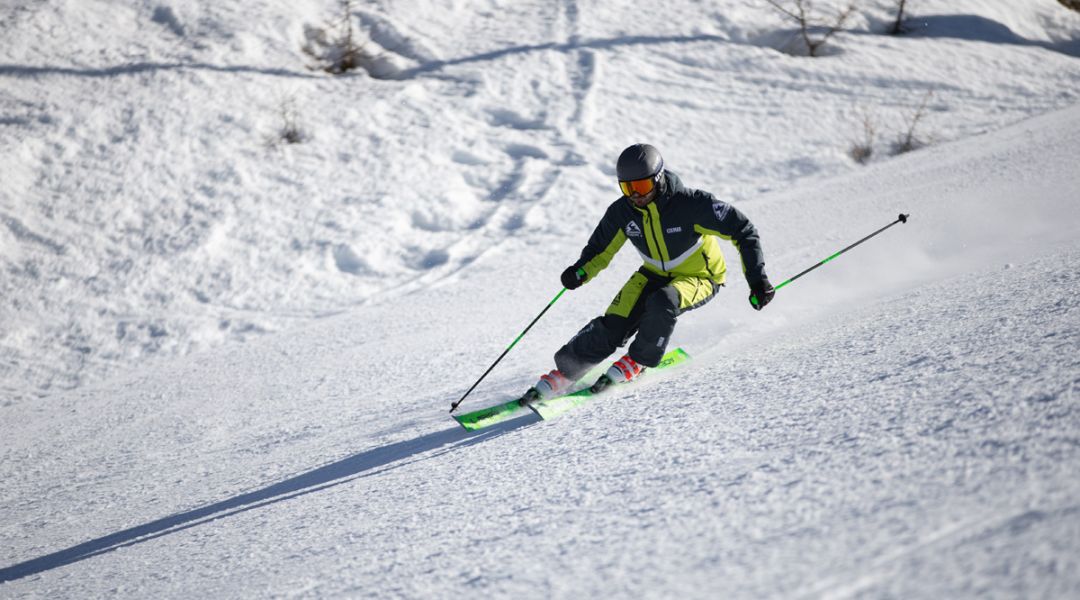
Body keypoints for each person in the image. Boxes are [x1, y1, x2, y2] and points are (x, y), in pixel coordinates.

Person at [520, 143, 775, 404]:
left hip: (701, 276)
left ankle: (638, 360)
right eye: (627, 188)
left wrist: (757, 280)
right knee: (615, 323)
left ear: (659, 178)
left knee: (663, 300)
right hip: (653, 273)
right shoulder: (622, 212)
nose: (635, 195)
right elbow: (599, 250)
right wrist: (580, 271)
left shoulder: (691, 205)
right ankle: (567, 371)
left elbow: (743, 230)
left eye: (641, 187)